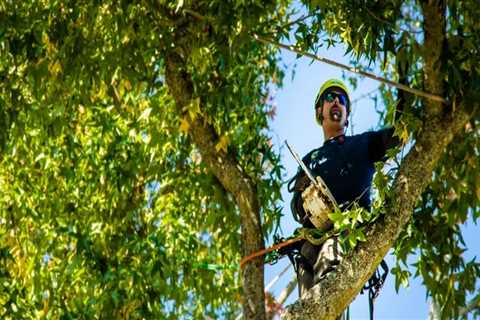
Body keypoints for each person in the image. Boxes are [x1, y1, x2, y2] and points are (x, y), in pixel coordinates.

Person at [288, 78, 400, 296]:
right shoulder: (310, 160)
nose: (336, 102)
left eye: (342, 100)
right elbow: (296, 208)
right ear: (320, 111)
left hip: (349, 231)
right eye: (330, 98)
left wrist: (404, 87)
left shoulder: (365, 144)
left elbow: (399, 134)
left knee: (329, 260)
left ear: (347, 115)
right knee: (307, 265)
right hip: (313, 238)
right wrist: (303, 197)